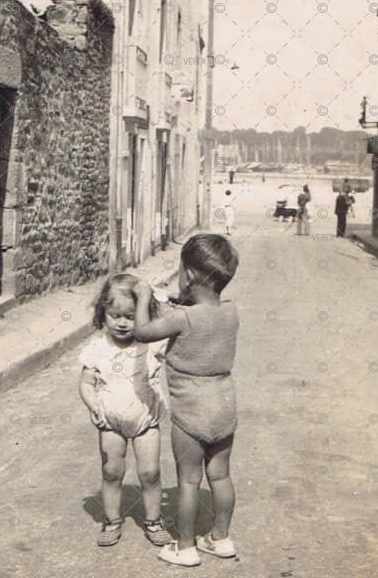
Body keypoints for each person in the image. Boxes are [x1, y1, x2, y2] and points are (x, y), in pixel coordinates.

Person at [133, 234, 240, 567]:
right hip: (223, 404)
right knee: (219, 475)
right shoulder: (231, 312)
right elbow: (199, 315)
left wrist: (143, 297)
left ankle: (185, 546)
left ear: (190, 274)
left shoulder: (182, 319)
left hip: (191, 409)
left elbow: (143, 331)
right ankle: (221, 539)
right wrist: (177, 301)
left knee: (189, 480)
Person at [78, 274, 172, 548]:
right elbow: (86, 384)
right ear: (102, 314)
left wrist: (150, 297)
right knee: (111, 471)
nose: (121, 323)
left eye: (130, 316)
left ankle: (153, 520)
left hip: (146, 420)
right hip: (110, 422)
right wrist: (94, 405)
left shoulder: (151, 344)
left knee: (150, 473)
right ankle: (112, 520)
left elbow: (173, 325)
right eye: (114, 315)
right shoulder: (97, 349)